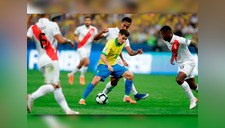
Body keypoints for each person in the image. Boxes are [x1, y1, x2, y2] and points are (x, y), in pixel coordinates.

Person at [27, 14, 79, 115]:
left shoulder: (33, 27)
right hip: (51, 58)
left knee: (57, 86)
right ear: (48, 14)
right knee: (52, 86)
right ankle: (31, 97)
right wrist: (69, 41)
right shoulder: (52, 24)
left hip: (41, 60)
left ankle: (68, 111)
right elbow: (60, 40)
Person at [94, 17, 149, 101]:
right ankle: (134, 95)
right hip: (108, 59)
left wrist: (136, 52)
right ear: (121, 23)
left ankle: (103, 94)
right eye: (125, 25)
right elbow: (96, 38)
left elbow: (130, 52)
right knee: (121, 78)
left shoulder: (125, 36)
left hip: (117, 59)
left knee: (117, 81)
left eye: (128, 27)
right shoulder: (111, 30)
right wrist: (101, 32)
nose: (125, 28)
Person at [79, 29, 135, 105]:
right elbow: (102, 56)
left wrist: (122, 60)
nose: (124, 40)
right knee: (95, 81)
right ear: (118, 35)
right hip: (104, 64)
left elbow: (119, 51)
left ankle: (126, 97)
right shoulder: (110, 43)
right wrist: (108, 65)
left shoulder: (122, 43)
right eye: (123, 38)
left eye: (125, 39)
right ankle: (82, 100)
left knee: (130, 75)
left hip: (114, 65)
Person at [160, 25, 198, 109]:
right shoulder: (167, 41)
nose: (161, 36)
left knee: (179, 79)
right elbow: (174, 49)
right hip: (182, 64)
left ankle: (192, 100)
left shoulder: (179, 39)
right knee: (193, 86)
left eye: (162, 34)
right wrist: (172, 57)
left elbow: (196, 44)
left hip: (189, 62)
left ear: (168, 34)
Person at [68, 16, 98, 85]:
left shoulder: (94, 29)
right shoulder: (80, 28)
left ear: (91, 21)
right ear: (84, 21)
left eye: (88, 20)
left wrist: (95, 40)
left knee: (81, 64)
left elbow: (96, 38)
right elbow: (74, 35)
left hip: (88, 48)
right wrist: (76, 40)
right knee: (87, 62)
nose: (87, 22)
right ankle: (82, 76)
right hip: (81, 47)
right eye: (86, 20)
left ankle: (71, 75)